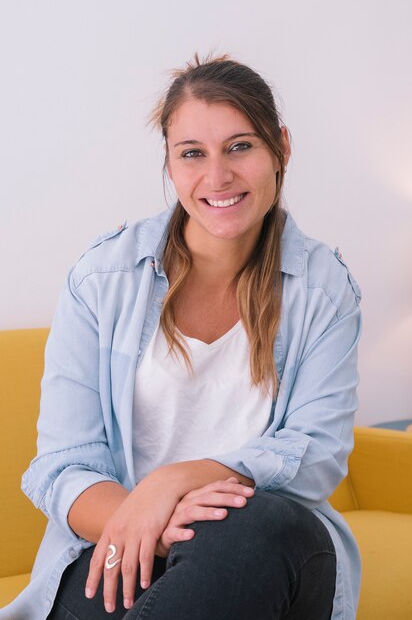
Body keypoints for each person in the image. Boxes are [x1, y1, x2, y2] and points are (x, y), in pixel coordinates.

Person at [1, 54, 362, 620]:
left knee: (264, 524)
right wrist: (153, 521)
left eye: (240, 146)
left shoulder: (324, 289)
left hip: (261, 551)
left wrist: (173, 481)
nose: (216, 177)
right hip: (119, 549)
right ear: (170, 164)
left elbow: (316, 453)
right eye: (192, 153)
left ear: (281, 148)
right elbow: (63, 465)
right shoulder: (102, 279)